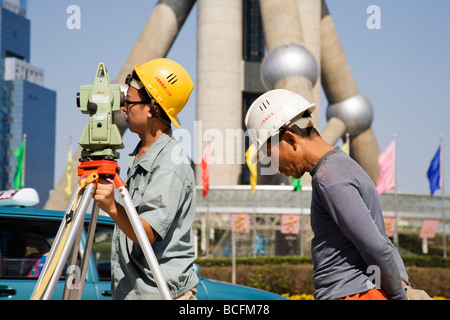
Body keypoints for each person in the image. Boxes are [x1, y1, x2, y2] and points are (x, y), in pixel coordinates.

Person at [244, 88, 410, 300]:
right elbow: (381, 240)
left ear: (290, 138)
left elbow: (375, 246)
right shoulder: (342, 166)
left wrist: (399, 296)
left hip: (352, 295)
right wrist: (401, 285)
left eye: (270, 155)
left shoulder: (329, 178)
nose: (275, 167)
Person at [93, 58, 198, 300]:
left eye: (129, 102)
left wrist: (111, 206)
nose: (123, 108)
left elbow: (147, 233)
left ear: (152, 108)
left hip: (159, 294)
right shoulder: (143, 157)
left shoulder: (169, 165)